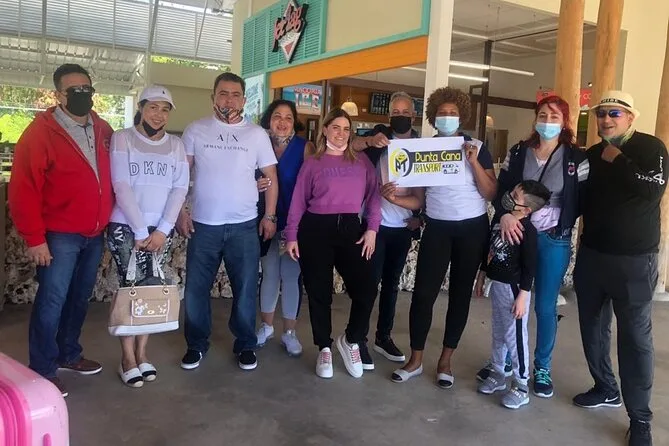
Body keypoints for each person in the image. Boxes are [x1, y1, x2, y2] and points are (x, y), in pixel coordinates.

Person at [8, 63, 114, 397]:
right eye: (74, 90)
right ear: (59, 95)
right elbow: (23, 189)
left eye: (87, 89)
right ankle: (43, 367)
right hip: (59, 235)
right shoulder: (40, 133)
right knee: (52, 301)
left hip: (93, 234)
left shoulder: (103, 129)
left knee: (79, 298)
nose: (83, 95)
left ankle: (69, 353)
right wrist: (34, 239)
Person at [383, 87, 497, 387]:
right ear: (433, 117)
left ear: (462, 116)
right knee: (423, 294)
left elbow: (490, 192)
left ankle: (446, 360)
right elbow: (418, 199)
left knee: (460, 295)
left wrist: (473, 162)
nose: (447, 117)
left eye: (452, 113)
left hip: (472, 229)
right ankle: (416, 359)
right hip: (437, 228)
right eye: (442, 113)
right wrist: (394, 199)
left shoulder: (477, 147)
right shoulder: (423, 148)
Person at [478, 95, 588, 398]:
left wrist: (559, 221)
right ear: (535, 119)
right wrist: (505, 216)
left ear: (564, 122)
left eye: (554, 117)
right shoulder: (518, 152)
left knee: (544, 305)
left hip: (553, 238)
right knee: (510, 303)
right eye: (542, 115)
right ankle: (506, 360)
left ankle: (541, 367)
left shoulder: (576, 158)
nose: (547, 122)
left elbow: (581, 199)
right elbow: (502, 191)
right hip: (516, 234)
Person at [574, 91, 667, 446]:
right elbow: (578, 199)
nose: (606, 119)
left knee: (635, 339)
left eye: (614, 113)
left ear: (630, 117)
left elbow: (653, 190)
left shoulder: (650, 147)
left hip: (635, 262)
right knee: (593, 328)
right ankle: (605, 387)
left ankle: (640, 418)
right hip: (593, 256)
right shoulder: (591, 155)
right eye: (602, 114)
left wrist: (619, 159)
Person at [177, 72, 279, 372]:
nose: (229, 100)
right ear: (213, 97)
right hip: (203, 224)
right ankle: (196, 344)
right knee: (196, 290)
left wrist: (269, 215)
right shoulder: (196, 130)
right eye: (223, 93)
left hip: (244, 225)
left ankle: (246, 344)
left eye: (235, 95)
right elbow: (181, 175)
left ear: (244, 100)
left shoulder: (256, 134)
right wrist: (180, 210)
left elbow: (271, 177)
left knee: (245, 288)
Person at [285, 108, 381, 379]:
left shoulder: (361, 161)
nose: (341, 133)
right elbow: (298, 201)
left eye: (346, 129)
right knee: (319, 293)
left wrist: (372, 229)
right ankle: (324, 347)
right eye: (336, 127)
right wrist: (291, 235)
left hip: (351, 228)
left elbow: (374, 197)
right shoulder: (313, 163)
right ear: (325, 129)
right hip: (315, 229)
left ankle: (351, 340)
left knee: (366, 288)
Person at [107, 85, 188, 387]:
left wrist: (163, 229)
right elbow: (121, 185)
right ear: (141, 108)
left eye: (165, 109)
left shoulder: (176, 145)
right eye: (153, 107)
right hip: (127, 227)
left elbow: (179, 188)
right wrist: (141, 231)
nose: (159, 114)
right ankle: (127, 358)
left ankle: (142, 354)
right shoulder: (123, 138)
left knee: (150, 290)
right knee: (130, 289)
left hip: (161, 230)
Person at [348, 91, 423, 370]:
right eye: (395, 112)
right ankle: (358, 339)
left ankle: (383, 336)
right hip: (374, 226)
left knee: (391, 285)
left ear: (413, 116)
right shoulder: (379, 136)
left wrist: (417, 215)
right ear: (389, 115)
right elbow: (351, 146)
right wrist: (370, 140)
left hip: (403, 226)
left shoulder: (421, 145)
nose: (400, 116)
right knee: (368, 285)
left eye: (405, 112)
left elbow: (424, 191)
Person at [475, 180, 551, 410]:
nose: (509, 196)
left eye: (515, 196)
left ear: (526, 210)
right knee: (499, 332)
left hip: (514, 290)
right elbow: (489, 249)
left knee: (515, 336)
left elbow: (530, 266)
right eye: (512, 191)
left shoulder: (528, 231)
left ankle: (521, 384)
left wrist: (523, 296)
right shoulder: (500, 220)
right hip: (497, 286)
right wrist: (482, 275)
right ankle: (498, 372)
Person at [254, 99, 314, 357]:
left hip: (294, 224)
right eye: (277, 116)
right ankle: (266, 327)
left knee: (290, 276)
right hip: (265, 220)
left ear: (294, 122)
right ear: (269, 119)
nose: (282, 122)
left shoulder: (305, 148)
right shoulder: (258, 143)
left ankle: (289, 332)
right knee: (269, 273)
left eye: (288, 117)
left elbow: (312, 185)